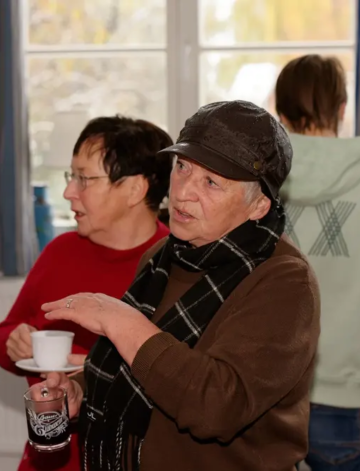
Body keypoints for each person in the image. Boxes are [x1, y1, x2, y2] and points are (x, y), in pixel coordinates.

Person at [40, 100, 321, 470]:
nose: (184, 191)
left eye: (211, 182)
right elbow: (143, 369)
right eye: (183, 167)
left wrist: (119, 320)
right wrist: (82, 388)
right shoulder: (162, 256)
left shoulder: (284, 281)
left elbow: (216, 405)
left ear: (258, 206)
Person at [0, 115, 173, 471]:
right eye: (70, 176)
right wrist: (14, 344)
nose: (68, 192)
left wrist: (90, 371)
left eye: (84, 179)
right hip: (51, 460)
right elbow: (4, 338)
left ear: (135, 190)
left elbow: (182, 384)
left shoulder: (175, 267)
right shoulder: (60, 251)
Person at [276, 54, 360, 470]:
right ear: (343, 109)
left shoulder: (261, 179)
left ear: (281, 114)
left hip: (266, 392)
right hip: (344, 394)